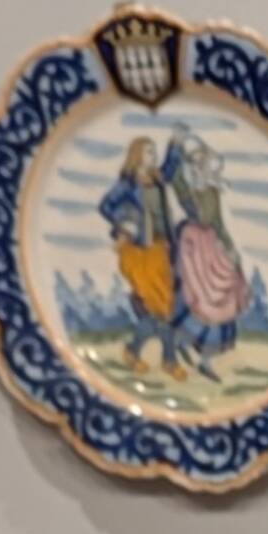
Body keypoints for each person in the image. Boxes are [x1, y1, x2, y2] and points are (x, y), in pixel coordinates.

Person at [162, 131, 250, 373]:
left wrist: (230, 248)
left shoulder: (211, 190)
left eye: (205, 163)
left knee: (223, 296)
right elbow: (167, 173)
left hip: (211, 244)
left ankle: (206, 361)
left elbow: (218, 222)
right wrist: (175, 146)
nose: (202, 166)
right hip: (191, 246)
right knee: (195, 297)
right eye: (197, 162)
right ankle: (180, 341)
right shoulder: (184, 184)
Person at [98, 138, 179, 371]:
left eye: (155, 151)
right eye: (149, 151)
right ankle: (167, 360)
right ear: (138, 156)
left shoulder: (157, 179)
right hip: (137, 250)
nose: (154, 155)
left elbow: (169, 169)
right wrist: (124, 224)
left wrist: (174, 146)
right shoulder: (127, 184)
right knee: (159, 305)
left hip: (159, 247)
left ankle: (139, 353)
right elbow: (105, 206)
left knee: (163, 305)